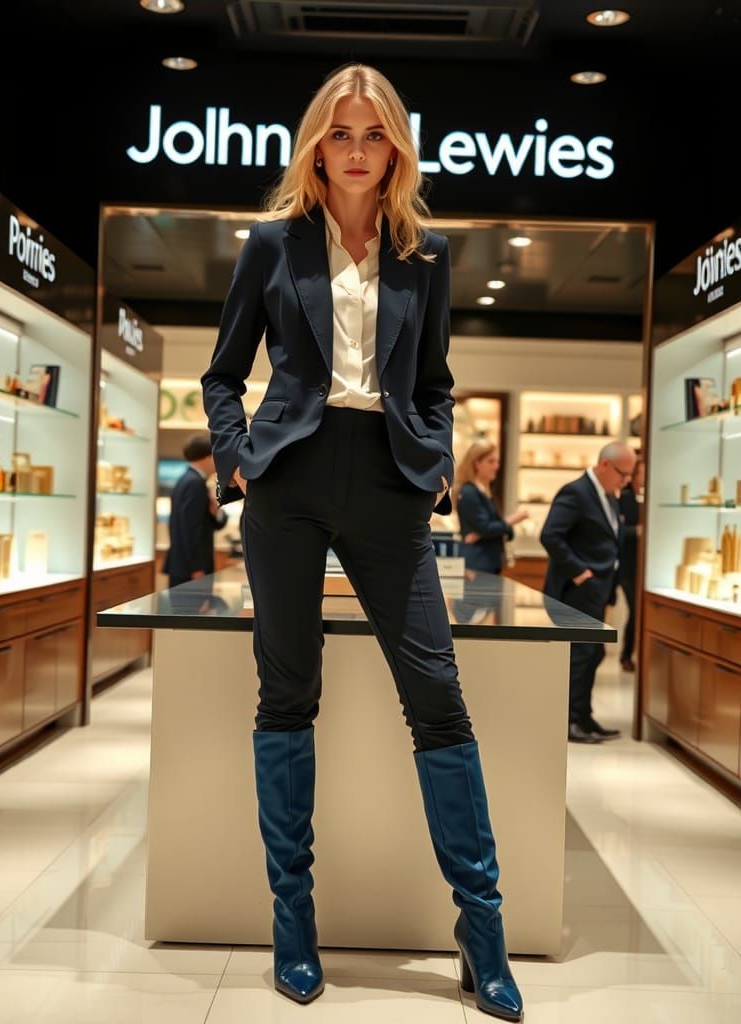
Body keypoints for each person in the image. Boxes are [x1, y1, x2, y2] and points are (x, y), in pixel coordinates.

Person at [201, 64, 522, 1021]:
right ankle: (291, 923)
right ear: (316, 144)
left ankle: (484, 928)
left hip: (389, 484)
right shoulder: (272, 245)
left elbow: (433, 381)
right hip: (290, 483)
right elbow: (224, 376)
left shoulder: (427, 254)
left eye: (371, 135)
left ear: (394, 150)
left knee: (438, 698)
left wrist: (433, 461)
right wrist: (241, 458)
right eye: (339, 134)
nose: (354, 150)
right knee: (288, 691)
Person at [540, 441, 637, 744]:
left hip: (598, 591)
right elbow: (550, 535)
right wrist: (581, 573)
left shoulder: (609, 496)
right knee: (581, 656)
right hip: (575, 592)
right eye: (623, 473)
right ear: (605, 465)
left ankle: (584, 716)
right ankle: (569, 722)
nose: (626, 481)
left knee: (592, 654)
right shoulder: (576, 492)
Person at [162, 435, 227, 589]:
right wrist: (197, 568)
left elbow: (209, 523)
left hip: (185, 567)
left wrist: (216, 511)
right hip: (191, 570)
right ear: (208, 457)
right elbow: (191, 528)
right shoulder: (195, 483)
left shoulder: (187, 480)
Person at [454, 441, 528, 574]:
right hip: (477, 564)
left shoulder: (487, 492)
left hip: (489, 562)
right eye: (491, 462)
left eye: (497, 462)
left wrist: (483, 533)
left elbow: (493, 529)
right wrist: (511, 520)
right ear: (477, 463)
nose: (496, 466)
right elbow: (486, 527)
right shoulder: (469, 492)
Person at [618, 455, 645, 672]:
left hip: (641, 566)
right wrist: (635, 531)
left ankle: (630, 654)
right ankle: (626, 655)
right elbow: (617, 529)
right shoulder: (624, 498)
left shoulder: (646, 498)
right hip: (624, 565)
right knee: (634, 610)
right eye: (642, 472)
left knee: (637, 612)